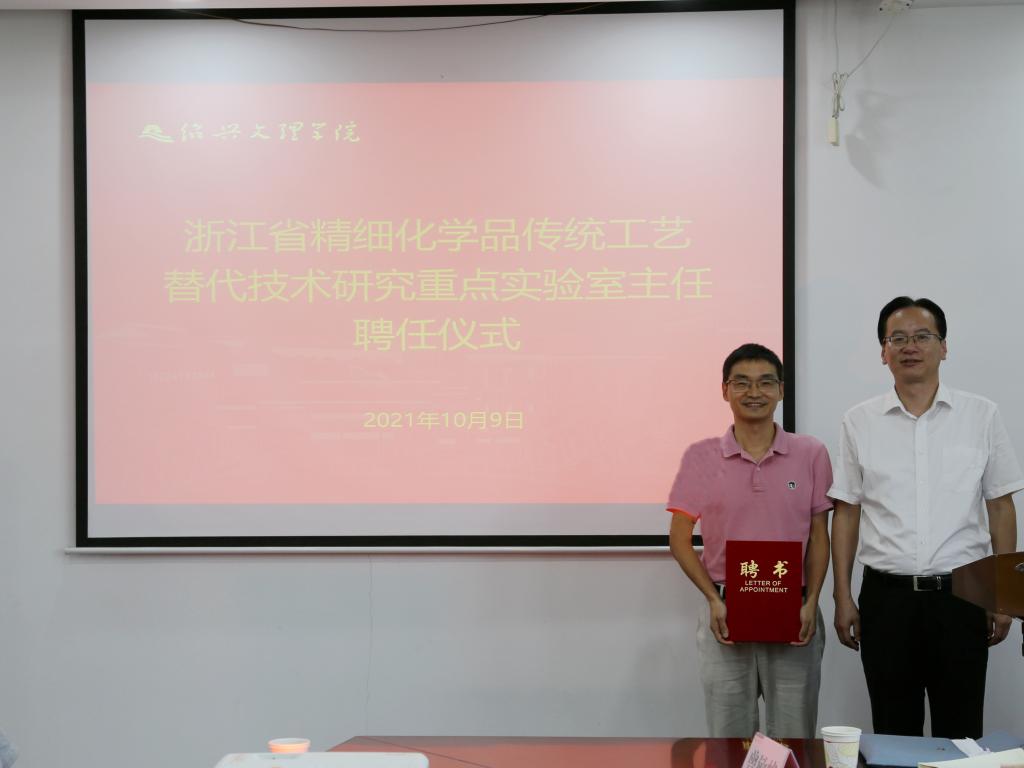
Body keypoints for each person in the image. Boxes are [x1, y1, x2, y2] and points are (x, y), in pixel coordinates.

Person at [830, 296, 1022, 738]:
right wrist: (842, 595)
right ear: (883, 352)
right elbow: (847, 512)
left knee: (962, 733)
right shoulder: (859, 421)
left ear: (944, 347)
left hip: (964, 596)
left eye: (922, 336)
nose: (909, 346)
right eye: (897, 338)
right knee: (893, 732)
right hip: (886, 600)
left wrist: (1005, 596)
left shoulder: (981, 415)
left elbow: (1000, 505)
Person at [667, 343, 833, 738]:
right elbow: (679, 538)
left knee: (793, 740)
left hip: (794, 613)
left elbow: (819, 536)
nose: (754, 392)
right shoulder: (702, 456)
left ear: (781, 390)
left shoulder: (810, 453)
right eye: (741, 382)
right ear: (725, 390)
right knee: (728, 740)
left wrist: (812, 601)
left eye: (765, 382)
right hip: (725, 614)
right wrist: (713, 600)